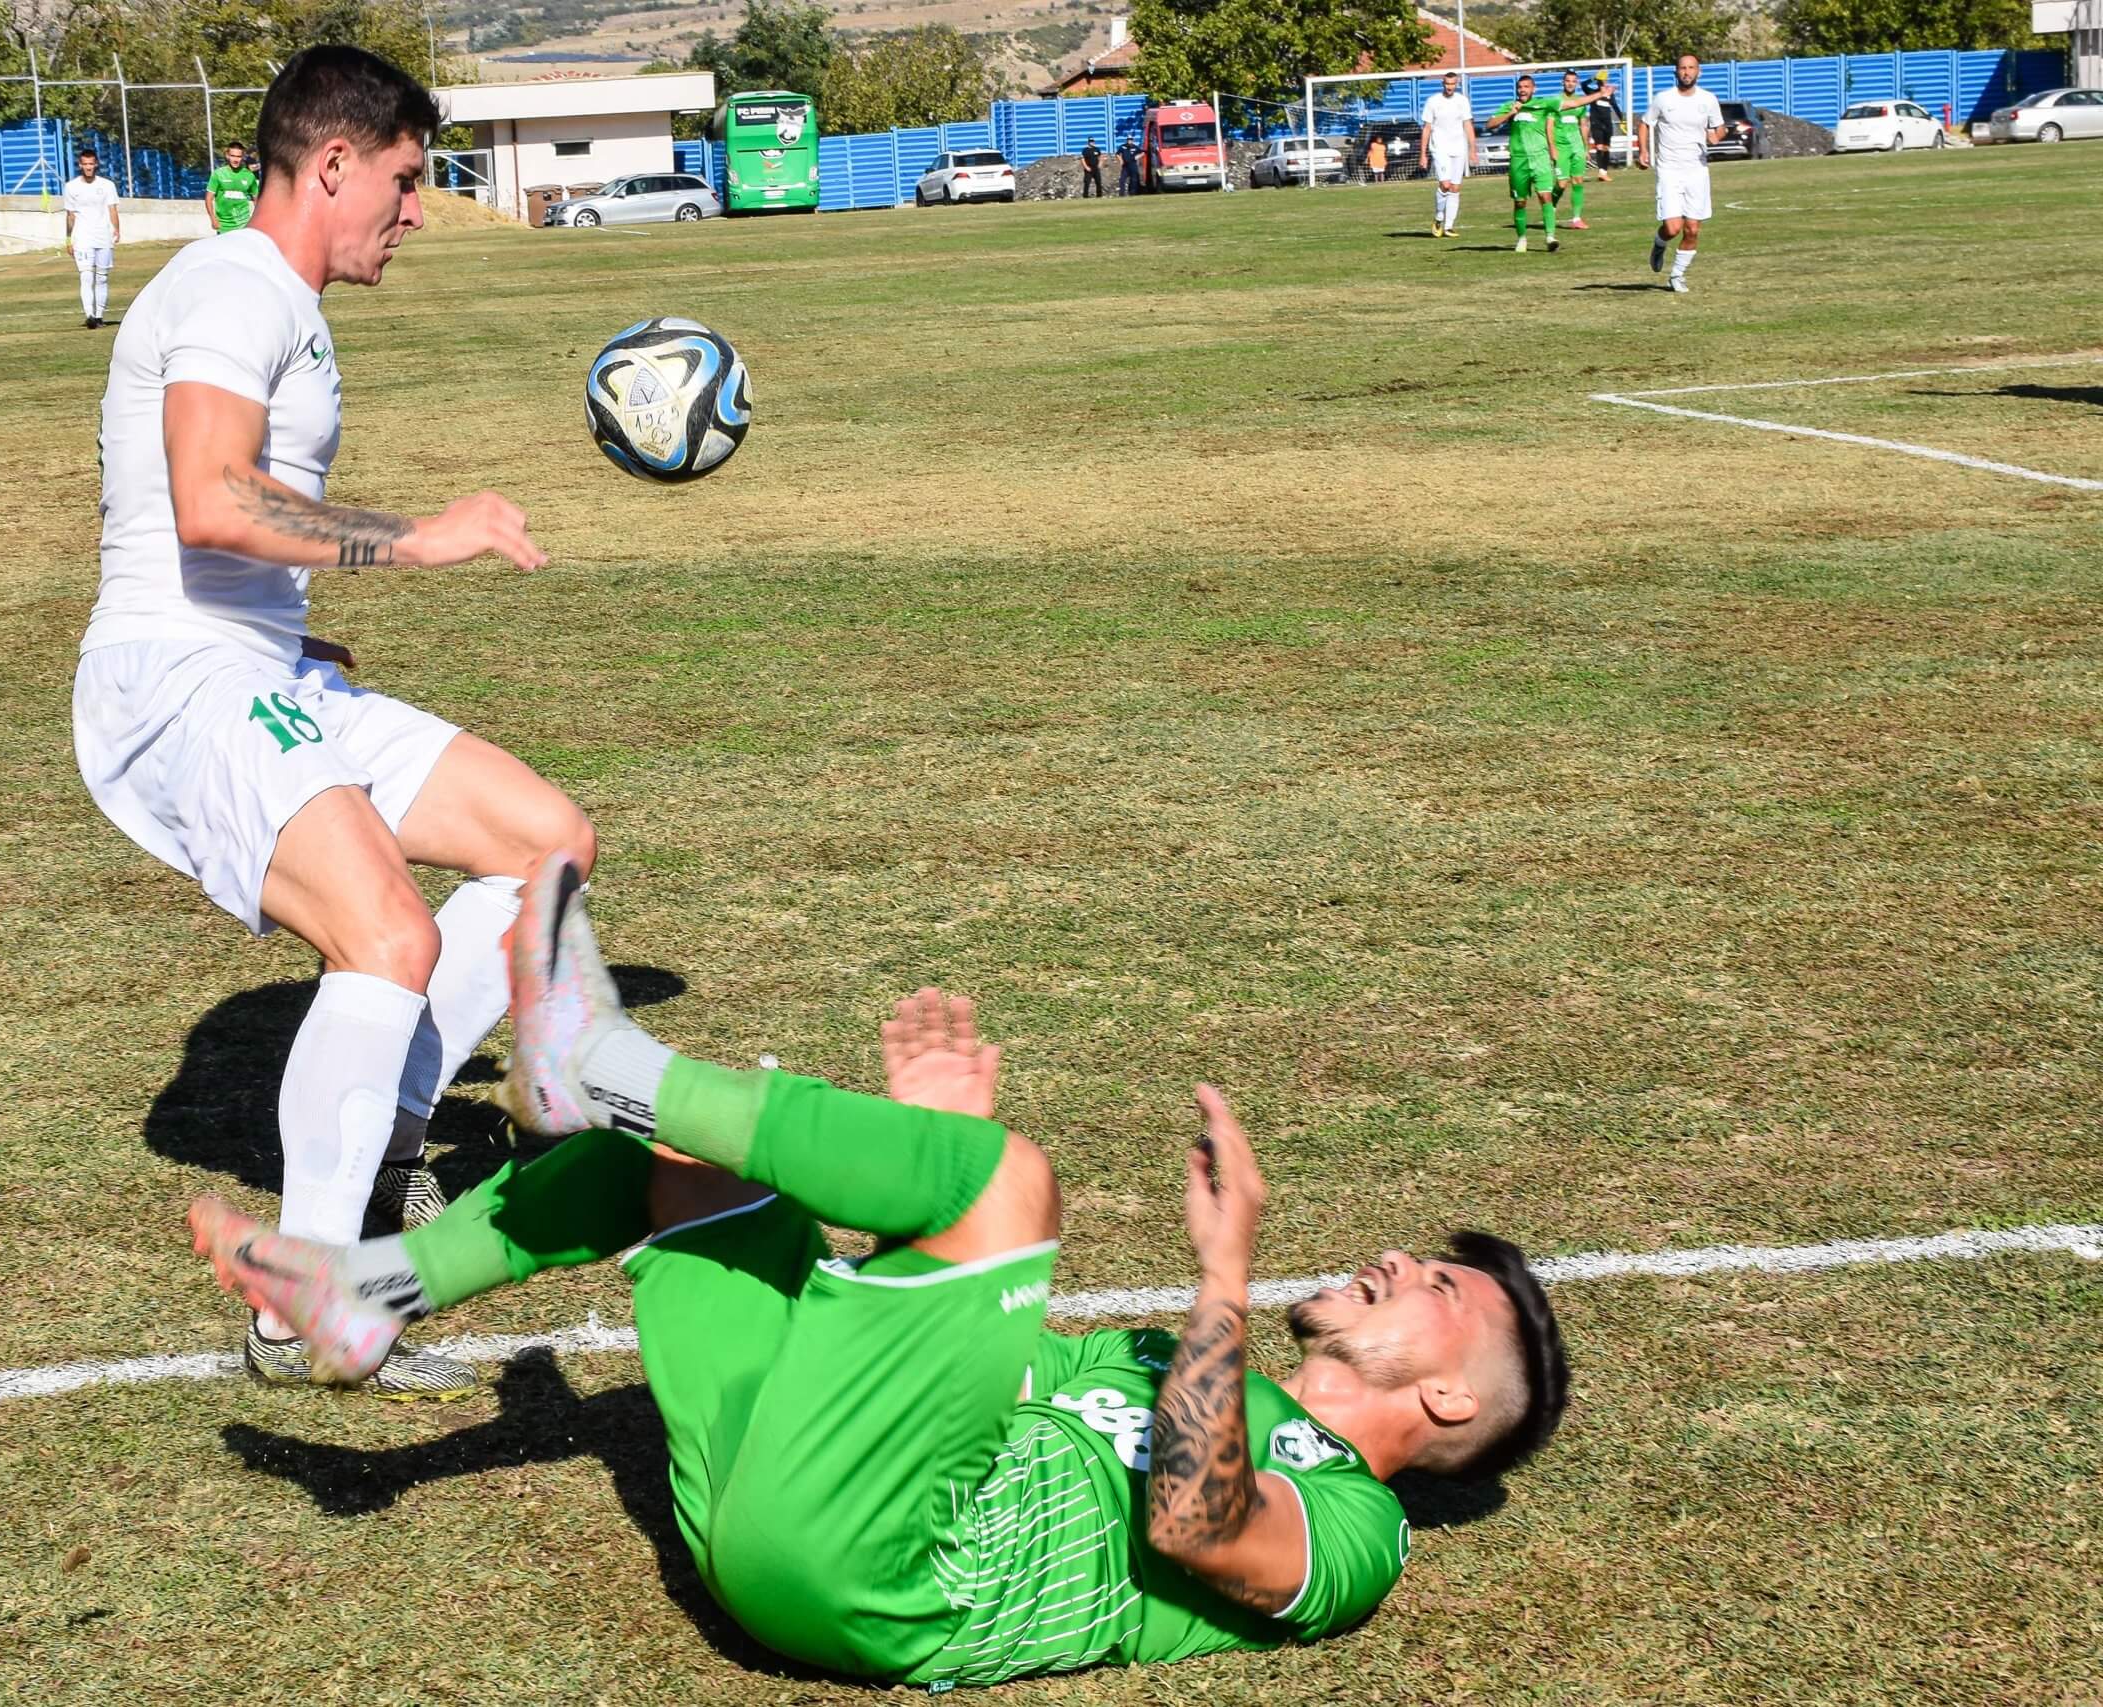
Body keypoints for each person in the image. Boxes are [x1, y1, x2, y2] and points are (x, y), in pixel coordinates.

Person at [190, 852, 1572, 1688]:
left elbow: (1197, 1530)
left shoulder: (1357, 1533)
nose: (1403, 1260)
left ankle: (598, 1060)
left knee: (1012, 1181)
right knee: (727, 1158)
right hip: (768, 1485)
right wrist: (922, 1168)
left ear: (1451, 1404)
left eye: (1443, 1289)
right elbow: (902, 1362)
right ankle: (377, 1288)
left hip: (884, 1575)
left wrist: (1215, 1276)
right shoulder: (1140, 1363)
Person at [77, 45, 592, 1400]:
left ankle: (392, 1147)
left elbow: (212, 517)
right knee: (391, 934)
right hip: (178, 679)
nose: (415, 215)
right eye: (407, 184)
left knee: (546, 843)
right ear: (335, 163)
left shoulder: (281, 301)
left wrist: (292, 632)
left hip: (256, 662)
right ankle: (305, 1296)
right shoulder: (232, 284)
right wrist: (422, 537)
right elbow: (207, 497)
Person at [1640, 54, 1727, 294]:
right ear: (1676, 72)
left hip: (1697, 170)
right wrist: (1643, 152)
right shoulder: (1663, 99)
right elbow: (1645, 123)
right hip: (1669, 170)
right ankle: (1659, 244)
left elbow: (1720, 128)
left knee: (1693, 229)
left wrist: (1716, 136)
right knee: (1672, 228)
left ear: (1698, 72)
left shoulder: (1708, 99)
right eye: (1682, 68)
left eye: (1691, 68)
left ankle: (1677, 275)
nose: (1687, 72)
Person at [1486, 74, 1561, 254]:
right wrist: (1510, 114)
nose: (1522, 90)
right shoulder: (1510, 106)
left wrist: (1598, 95)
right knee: (1520, 202)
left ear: (1533, 89)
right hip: (1519, 161)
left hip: (1540, 158)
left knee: (1546, 197)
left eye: (1526, 86)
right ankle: (1521, 238)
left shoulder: (1543, 105)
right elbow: (1490, 124)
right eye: (1520, 87)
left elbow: (1573, 104)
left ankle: (1550, 237)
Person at [1545, 72, 1618, 231]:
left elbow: (1584, 125)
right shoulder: (1555, 101)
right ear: (1562, 82)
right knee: (1562, 183)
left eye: (1573, 81)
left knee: (1578, 181)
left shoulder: (1580, 104)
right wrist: (1552, 147)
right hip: (1561, 148)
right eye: (1567, 81)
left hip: (1576, 147)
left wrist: (1585, 148)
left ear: (1576, 83)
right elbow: (1549, 126)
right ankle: (1551, 208)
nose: (1570, 84)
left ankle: (1576, 218)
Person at [64, 148, 122, 328]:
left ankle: (99, 316)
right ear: (80, 165)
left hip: (103, 236)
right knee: (86, 276)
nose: (88, 167)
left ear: (96, 164)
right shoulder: (71, 187)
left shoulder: (107, 185)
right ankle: (89, 314)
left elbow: (112, 209)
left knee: (102, 277)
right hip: (82, 238)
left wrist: (117, 230)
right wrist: (68, 239)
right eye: (85, 164)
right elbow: (70, 215)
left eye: (91, 164)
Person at [1420, 70, 1472, 237]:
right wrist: (1423, 154)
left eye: (1453, 84)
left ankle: (1448, 227)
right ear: (1443, 84)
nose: (1450, 87)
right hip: (1440, 148)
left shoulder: (1462, 101)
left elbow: (1468, 125)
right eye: (1447, 84)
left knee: (1455, 188)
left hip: (1459, 148)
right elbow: (1427, 128)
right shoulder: (1433, 101)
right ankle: (1438, 217)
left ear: (1456, 84)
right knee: (1446, 185)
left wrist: (1473, 149)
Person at [205, 141, 260, 232]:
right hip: (224, 225)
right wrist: (212, 218)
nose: (235, 159)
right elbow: (208, 198)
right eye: (233, 156)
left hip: (244, 225)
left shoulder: (249, 175)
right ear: (227, 155)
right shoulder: (218, 174)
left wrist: (256, 219)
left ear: (242, 157)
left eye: (238, 156)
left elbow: (256, 199)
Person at [1587, 85, 1616, 183]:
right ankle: (1601, 172)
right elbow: (1583, 85)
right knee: (1599, 147)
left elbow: (1615, 105)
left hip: (1607, 125)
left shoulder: (1609, 94)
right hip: (1596, 124)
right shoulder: (1592, 92)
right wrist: (1592, 78)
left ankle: (1604, 172)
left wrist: (1621, 118)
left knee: (1606, 148)